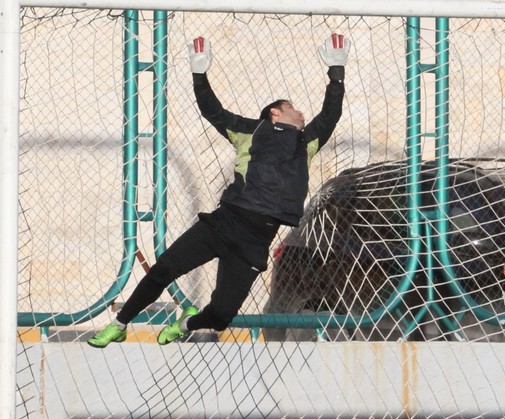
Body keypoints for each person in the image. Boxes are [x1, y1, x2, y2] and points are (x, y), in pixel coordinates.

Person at [87, 34, 348, 348]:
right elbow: (213, 111)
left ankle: (186, 323)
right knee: (164, 269)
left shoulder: (306, 142)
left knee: (222, 315)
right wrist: (199, 74)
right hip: (225, 222)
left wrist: (336, 73)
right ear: (275, 113)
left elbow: (331, 114)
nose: (300, 112)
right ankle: (119, 324)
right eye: (291, 106)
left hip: (257, 239)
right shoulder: (250, 131)